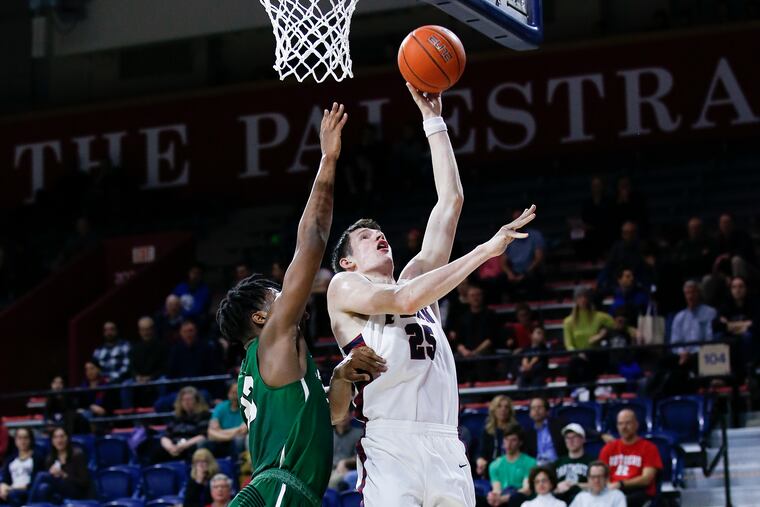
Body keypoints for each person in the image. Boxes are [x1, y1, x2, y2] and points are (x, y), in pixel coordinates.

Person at [327, 83, 537, 507]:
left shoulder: (420, 282)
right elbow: (402, 302)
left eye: (381, 232)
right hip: (391, 442)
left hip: (445, 442)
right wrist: (483, 251)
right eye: (366, 238)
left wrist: (433, 120)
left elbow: (450, 201)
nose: (379, 237)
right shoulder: (344, 287)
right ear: (348, 261)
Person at [216, 103, 386, 507]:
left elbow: (326, 418)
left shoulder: (264, 370)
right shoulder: (274, 337)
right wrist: (328, 160)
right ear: (261, 317)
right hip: (279, 491)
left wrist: (341, 378)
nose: (287, 296)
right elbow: (312, 239)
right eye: (276, 294)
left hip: (282, 490)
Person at [599, 409, 661, 507]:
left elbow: (646, 479)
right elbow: (601, 474)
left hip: (638, 492)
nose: (624, 427)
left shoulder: (649, 448)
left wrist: (621, 484)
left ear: (636, 425)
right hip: (612, 491)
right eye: (620, 424)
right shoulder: (608, 448)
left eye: (628, 423)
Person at [563, 288, 614, 385]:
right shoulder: (568, 322)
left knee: (592, 359)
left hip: (595, 354)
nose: (583, 300)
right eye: (580, 297)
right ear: (575, 300)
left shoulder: (599, 317)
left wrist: (601, 334)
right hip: (578, 355)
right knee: (576, 362)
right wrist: (578, 353)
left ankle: (589, 390)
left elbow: (616, 325)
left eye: (585, 297)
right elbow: (568, 344)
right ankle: (571, 391)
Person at [28, 427, 91, 503]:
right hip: (58, 491)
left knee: (41, 475)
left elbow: (84, 482)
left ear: (67, 438)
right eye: (55, 437)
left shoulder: (77, 455)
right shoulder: (50, 458)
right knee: (44, 487)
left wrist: (63, 475)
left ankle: (29, 504)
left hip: (75, 490)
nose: (59, 440)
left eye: (62, 436)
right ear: (52, 441)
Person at [153, 386, 211, 463]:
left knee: (196, 448)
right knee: (154, 447)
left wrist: (183, 446)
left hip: (190, 445)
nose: (186, 402)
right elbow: (165, 436)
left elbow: (203, 436)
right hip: (175, 446)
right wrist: (170, 447)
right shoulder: (176, 417)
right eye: (183, 400)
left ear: (197, 401)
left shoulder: (204, 415)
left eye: (189, 399)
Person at [486, 424, 535, 506]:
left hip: (519, 500)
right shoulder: (494, 465)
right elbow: (497, 489)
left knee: (515, 498)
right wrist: (494, 496)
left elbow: (526, 490)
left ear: (520, 442)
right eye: (506, 440)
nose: (509, 444)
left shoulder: (530, 462)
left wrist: (503, 498)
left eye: (513, 440)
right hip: (501, 499)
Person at [125, 316, 169, 408]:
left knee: (164, 381)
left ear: (153, 329)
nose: (146, 332)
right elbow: (131, 367)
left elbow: (165, 367)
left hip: (156, 377)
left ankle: (163, 413)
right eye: (143, 330)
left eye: (148, 329)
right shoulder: (134, 348)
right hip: (139, 378)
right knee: (126, 385)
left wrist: (151, 377)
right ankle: (130, 418)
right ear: (139, 331)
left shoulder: (163, 346)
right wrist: (137, 377)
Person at [476, 395, 518, 478]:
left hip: (511, 468)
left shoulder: (516, 430)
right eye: (499, 406)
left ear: (510, 410)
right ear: (494, 410)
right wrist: (480, 460)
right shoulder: (487, 431)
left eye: (506, 407)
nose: (503, 409)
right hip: (492, 468)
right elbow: (481, 452)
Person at [0, 428, 43, 506]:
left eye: (25, 438)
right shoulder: (10, 459)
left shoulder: (37, 457)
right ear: (15, 440)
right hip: (11, 490)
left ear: (31, 439)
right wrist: (2, 487)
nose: (22, 441)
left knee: (14, 494)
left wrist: (13, 488)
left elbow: (36, 481)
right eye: (19, 438)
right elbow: (5, 479)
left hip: (28, 492)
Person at [553, 424, 593, 504]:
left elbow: (597, 485)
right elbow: (549, 487)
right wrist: (557, 487)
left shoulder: (591, 462)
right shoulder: (558, 462)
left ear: (583, 439)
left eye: (574, 437)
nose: (570, 440)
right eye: (567, 438)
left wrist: (574, 485)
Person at [205, 382, 246, 460]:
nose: (236, 395)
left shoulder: (248, 407)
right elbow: (211, 433)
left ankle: (239, 466)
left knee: (239, 440)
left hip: (236, 441)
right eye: (233, 392)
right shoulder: (220, 407)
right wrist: (232, 434)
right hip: (221, 441)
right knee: (204, 443)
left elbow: (243, 430)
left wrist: (220, 432)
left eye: (239, 391)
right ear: (228, 394)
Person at [522, 398, 566, 466]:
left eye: (539, 407)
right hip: (537, 468)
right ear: (530, 413)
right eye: (533, 408)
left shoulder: (558, 426)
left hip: (557, 465)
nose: (536, 410)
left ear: (547, 411)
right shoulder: (527, 432)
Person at [329, 411, 363, 490]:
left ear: (351, 415)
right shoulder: (328, 434)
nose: (343, 416)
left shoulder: (358, 433)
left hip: (347, 471)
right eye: (340, 412)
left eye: (346, 412)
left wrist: (345, 462)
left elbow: (361, 456)